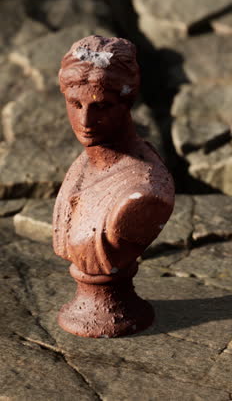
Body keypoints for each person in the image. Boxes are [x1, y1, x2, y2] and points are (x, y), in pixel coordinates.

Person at [53, 35, 175, 337]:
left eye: (102, 106)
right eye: (75, 103)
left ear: (127, 103)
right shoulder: (81, 164)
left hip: (115, 310)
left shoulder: (145, 191)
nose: (86, 120)